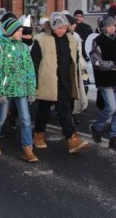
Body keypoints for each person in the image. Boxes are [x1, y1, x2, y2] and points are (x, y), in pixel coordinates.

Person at [31, 12, 90, 154]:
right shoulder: (41, 40)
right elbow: (34, 62)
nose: (62, 30)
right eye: (59, 28)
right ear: (52, 26)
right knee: (43, 111)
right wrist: (34, 83)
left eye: (64, 27)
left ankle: (72, 139)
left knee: (65, 111)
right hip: (47, 81)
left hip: (64, 81)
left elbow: (74, 60)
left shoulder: (71, 39)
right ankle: (39, 134)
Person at [0, 18, 38, 162]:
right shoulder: (1, 47)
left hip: (22, 89)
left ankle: (27, 147)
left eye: (21, 30)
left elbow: (30, 69)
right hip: (6, 90)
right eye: (18, 30)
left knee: (26, 119)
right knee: (1, 118)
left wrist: (31, 89)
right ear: (11, 32)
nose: (21, 32)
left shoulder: (23, 47)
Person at [89, 15, 116, 151]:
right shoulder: (98, 41)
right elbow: (96, 61)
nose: (112, 28)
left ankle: (114, 138)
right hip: (105, 80)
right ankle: (96, 127)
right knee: (111, 108)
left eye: (113, 25)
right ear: (104, 27)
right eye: (109, 26)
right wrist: (114, 65)